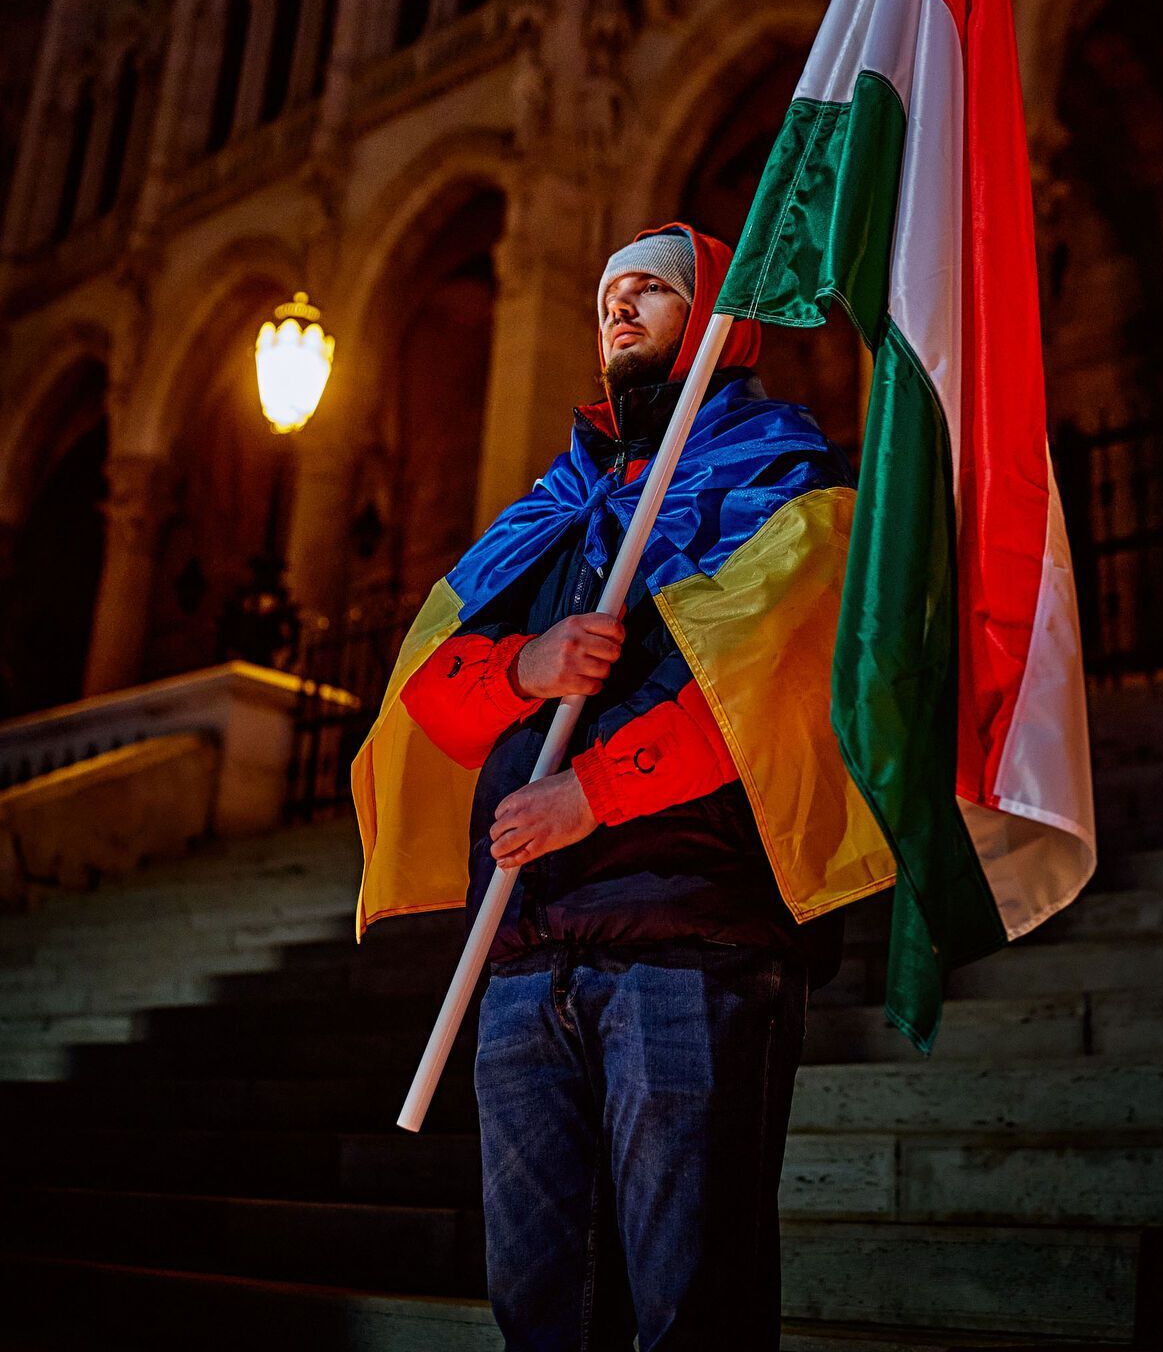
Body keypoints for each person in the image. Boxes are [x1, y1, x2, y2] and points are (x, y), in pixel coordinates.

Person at [352, 222, 896, 1351]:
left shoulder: (784, 479)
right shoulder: (551, 504)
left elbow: (779, 688)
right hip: (524, 949)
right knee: (544, 1308)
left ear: (712, 320)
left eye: (653, 288)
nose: (621, 305)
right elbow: (431, 683)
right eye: (610, 291)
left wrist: (591, 790)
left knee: (689, 1300)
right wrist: (525, 663)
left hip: (685, 939)